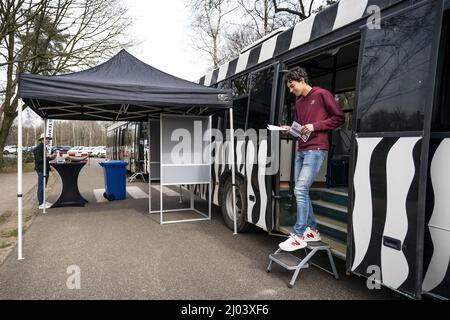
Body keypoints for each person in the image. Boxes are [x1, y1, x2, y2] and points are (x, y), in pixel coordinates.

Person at [278, 67, 344, 252]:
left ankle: (298, 236)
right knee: (301, 190)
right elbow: (301, 130)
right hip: (302, 149)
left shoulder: (322, 94)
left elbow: (339, 118)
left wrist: (314, 126)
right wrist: (290, 130)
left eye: (292, 86)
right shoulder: (299, 103)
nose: (292, 91)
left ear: (301, 79)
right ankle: (312, 229)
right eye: (289, 88)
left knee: (300, 189)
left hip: (316, 150)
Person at [33, 133, 55, 209]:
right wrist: (49, 157)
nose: (48, 140)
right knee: (41, 187)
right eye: (47, 139)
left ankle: (43, 202)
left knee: (44, 186)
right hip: (41, 169)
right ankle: (41, 203)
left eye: (48, 139)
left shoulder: (44, 148)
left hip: (45, 169)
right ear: (42, 140)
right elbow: (39, 160)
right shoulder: (37, 149)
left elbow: (45, 159)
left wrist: (52, 157)